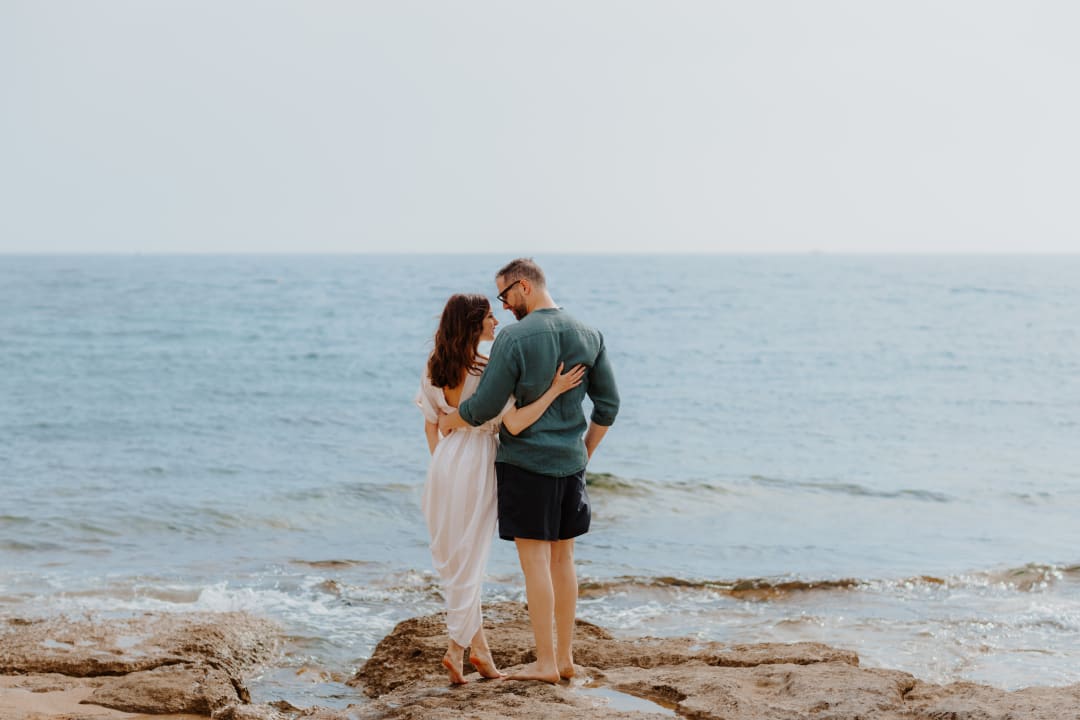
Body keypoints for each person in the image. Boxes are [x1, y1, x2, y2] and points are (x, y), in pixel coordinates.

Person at [439, 259, 620, 684]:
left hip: (526, 464)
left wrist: (453, 419)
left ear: (523, 287)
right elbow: (608, 406)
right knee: (565, 560)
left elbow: (484, 408)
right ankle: (566, 659)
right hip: (570, 464)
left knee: (535, 564)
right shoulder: (589, 334)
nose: (503, 306)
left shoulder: (515, 339)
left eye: (504, 296)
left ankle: (544, 664)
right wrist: (585, 453)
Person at [416, 293, 586, 685]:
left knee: (458, 558)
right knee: (471, 560)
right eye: (490, 317)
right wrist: (556, 389)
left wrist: (444, 466)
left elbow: (432, 424)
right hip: (479, 459)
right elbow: (513, 420)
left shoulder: (432, 366)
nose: (497, 322)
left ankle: (477, 651)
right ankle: (458, 649)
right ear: (474, 324)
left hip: (444, 463)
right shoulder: (487, 366)